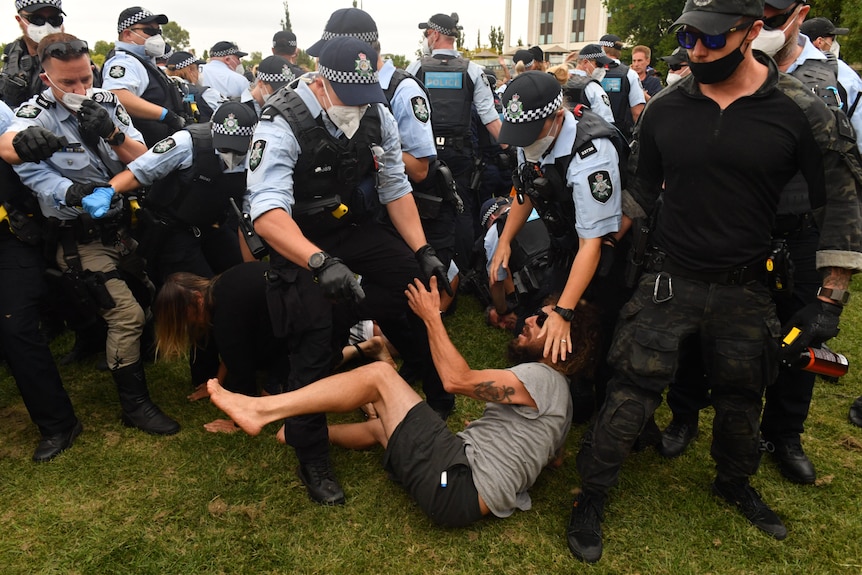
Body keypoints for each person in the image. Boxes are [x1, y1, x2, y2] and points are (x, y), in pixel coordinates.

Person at [566, 0, 862, 563]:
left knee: (741, 396)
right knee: (631, 390)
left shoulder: (801, 108)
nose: (695, 52)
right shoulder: (663, 109)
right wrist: (596, 253)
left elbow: (842, 200)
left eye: (710, 40)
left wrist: (831, 297)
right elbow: (639, 191)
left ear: (753, 32)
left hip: (746, 285)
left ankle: (733, 482)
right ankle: (592, 495)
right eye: (688, 39)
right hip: (668, 279)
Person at [207, 276, 601, 526]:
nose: (530, 320)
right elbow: (555, 458)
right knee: (387, 425)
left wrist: (432, 317)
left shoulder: (541, 378)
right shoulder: (561, 402)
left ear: (562, 344)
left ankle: (261, 409)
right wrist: (502, 443)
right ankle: (309, 433)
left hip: (455, 481)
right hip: (453, 493)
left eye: (544, 321)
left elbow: (455, 380)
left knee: (381, 379)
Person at [659, 0, 859, 484]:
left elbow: (847, 182)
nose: (760, 26)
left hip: (801, 230)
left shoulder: (840, 81)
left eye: (772, 17)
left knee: (798, 334)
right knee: (698, 332)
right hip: (725, 230)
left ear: (798, 14)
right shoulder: (705, 74)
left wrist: (832, 293)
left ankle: (783, 434)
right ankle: (684, 415)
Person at [245, 36, 451, 506]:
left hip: (349, 225)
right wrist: (318, 261)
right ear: (321, 81)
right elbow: (267, 211)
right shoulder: (282, 120)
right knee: (314, 335)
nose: (359, 107)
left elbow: (396, 187)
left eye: (367, 95)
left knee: (413, 284)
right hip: (298, 238)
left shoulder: (377, 112)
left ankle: (433, 392)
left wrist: (423, 250)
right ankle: (311, 451)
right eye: (349, 97)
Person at [0, 32, 181, 436]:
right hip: (78, 237)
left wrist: (113, 135)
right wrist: (76, 192)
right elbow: (33, 173)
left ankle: (117, 352)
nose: (82, 89)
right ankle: (134, 405)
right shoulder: (32, 119)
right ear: (47, 79)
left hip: (125, 226)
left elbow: (147, 161)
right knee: (127, 315)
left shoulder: (108, 103)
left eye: (86, 78)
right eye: (69, 83)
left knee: (150, 294)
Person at [0, 97, 82, 461]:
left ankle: (58, 423)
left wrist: (25, 140)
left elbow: (11, 141)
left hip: (8, 236)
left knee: (17, 328)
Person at [106, 101, 254, 285]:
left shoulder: (255, 155)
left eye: (237, 149)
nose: (231, 155)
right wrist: (109, 190)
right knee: (198, 290)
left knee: (238, 275)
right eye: (225, 148)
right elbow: (139, 172)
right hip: (173, 228)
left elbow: (247, 219)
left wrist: (251, 273)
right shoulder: (187, 142)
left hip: (211, 225)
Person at [408, 12, 502, 273]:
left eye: (427, 34)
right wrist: (516, 149)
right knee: (461, 210)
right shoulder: (473, 70)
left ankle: (424, 264)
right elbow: (491, 120)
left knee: (420, 206)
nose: (426, 39)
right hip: (460, 155)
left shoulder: (416, 68)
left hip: (423, 155)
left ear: (435, 35)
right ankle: (461, 271)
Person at [101, 6, 186, 147]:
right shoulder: (124, 61)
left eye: (158, 31)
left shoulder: (142, 61)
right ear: (128, 34)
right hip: (141, 151)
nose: (157, 37)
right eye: (150, 31)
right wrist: (166, 115)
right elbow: (117, 95)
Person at [800, 16, 862, 152]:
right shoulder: (843, 72)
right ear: (819, 42)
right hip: (836, 158)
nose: (835, 44)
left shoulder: (782, 68)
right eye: (832, 40)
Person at [1, 0, 64, 107]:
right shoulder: (12, 52)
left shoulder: (74, 56)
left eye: (54, 19)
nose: (46, 26)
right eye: (37, 19)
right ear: (19, 19)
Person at [597, 34, 645, 140]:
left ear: (601, 49)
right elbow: (638, 113)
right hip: (619, 136)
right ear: (619, 52)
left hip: (591, 134)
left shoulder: (590, 72)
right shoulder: (629, 74)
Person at [561, 44, 616, 125]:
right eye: (600, 64)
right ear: (585, 62)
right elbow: (606, 122)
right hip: (586, 134)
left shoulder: (560, 80)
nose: (602, 68)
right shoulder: (593, 87)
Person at [165, 51, 222, 122]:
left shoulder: (163, 90)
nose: (199, 73)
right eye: (198, 68)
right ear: (190, 70)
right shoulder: (207, 93)